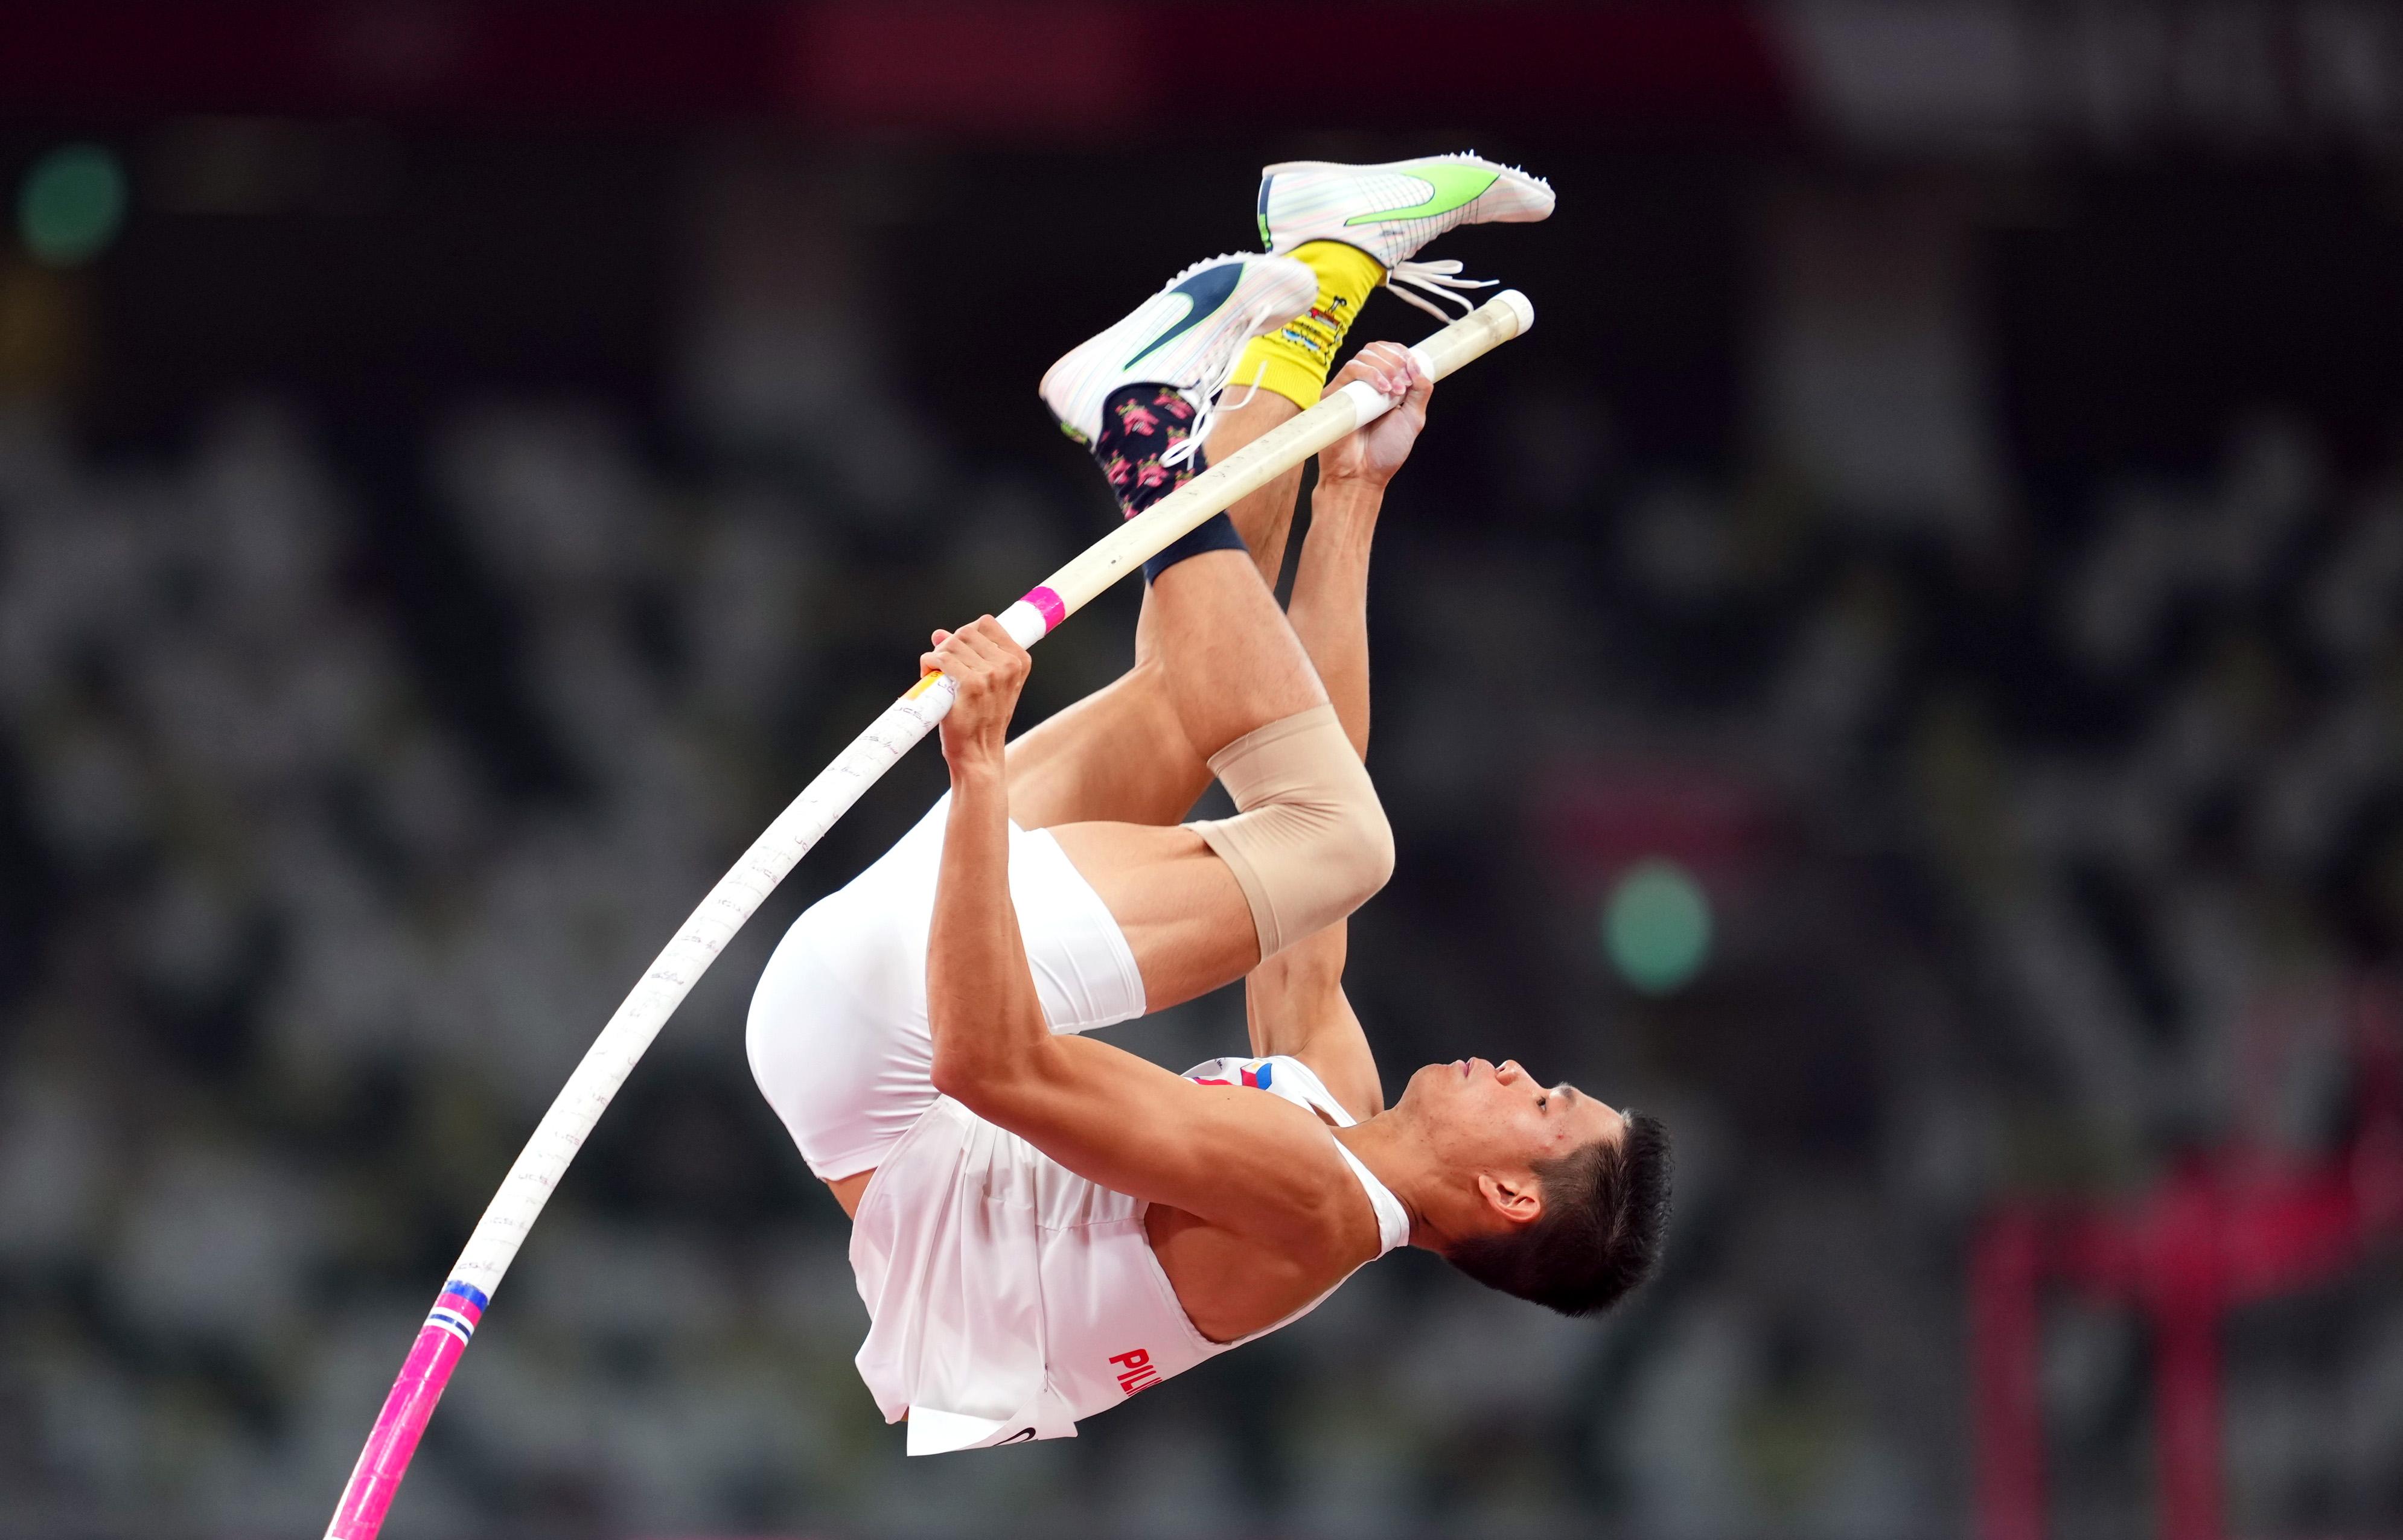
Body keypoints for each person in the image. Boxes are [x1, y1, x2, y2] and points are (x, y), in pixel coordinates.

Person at [747, 156, 1671, 1453]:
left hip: (901, 1051)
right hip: (861, 1038)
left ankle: (1139, 431)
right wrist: (1351, 491)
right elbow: (1292, 755)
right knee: (1226, 726)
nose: (1519, 1069)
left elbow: (990, 1061)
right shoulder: (1334, 1111)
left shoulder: (1312, 1209)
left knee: (1347, 842)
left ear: (1509, 1190)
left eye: (1543, 1102)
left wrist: (978, 774)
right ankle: (1323, 267)